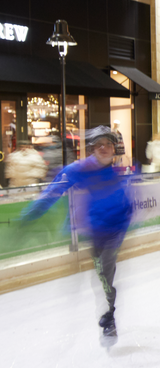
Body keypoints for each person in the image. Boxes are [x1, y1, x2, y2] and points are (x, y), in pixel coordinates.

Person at [19, 127, 131, 347]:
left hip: (114, 232)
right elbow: (53, 192)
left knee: (106, 271)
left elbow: (126, 203)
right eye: (99, 145)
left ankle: (109, 316)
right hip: (95, 232)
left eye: (108, 144)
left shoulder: (115, 172)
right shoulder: (80, 169)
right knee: (101, 274)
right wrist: (28, 217)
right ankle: (108, 309)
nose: (104, 148)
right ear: (91, 148)